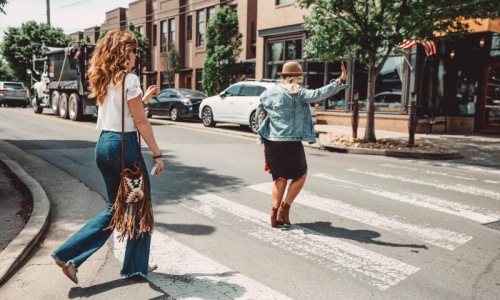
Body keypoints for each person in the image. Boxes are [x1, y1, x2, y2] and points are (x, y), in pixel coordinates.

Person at [51, 29, 165, 284]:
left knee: (115, 208)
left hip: (104, 145)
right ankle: (136, 266)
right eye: (133, 50)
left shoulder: (104, 78)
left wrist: (143, 99)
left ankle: (68, 256)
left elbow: (122, 112)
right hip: (125, 148)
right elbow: (140, 122)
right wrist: (157, 154)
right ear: (123, 52)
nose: (136, 55)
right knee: (140, 205)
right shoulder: (131, 79)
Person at [256, 61, 348, 227]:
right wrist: (339, 81)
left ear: (283, 76)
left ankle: (274, 212)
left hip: (271, 142)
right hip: (290, 142)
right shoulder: (296, 91)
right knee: (301, 174)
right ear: (296, 77)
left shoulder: (267, 93)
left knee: (280, 177)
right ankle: (285, 207)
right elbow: (319, 94)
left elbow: (259, 117)